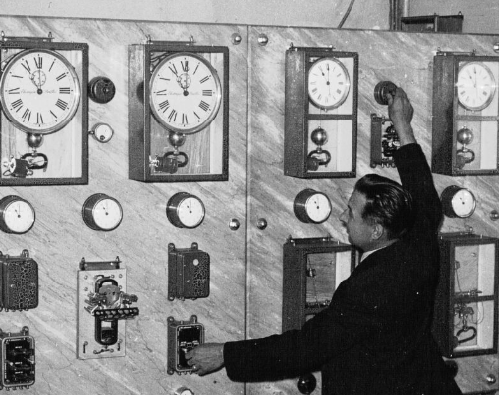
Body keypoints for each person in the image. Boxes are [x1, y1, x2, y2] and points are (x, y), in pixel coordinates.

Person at [186, 88, 462, 394]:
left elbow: (307, 347)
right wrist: (402, 124)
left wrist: (225, 354)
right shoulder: (418, 245)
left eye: (352, 213)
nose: (342, 217)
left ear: (376, 231)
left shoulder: (372, 287)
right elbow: (425, 199)